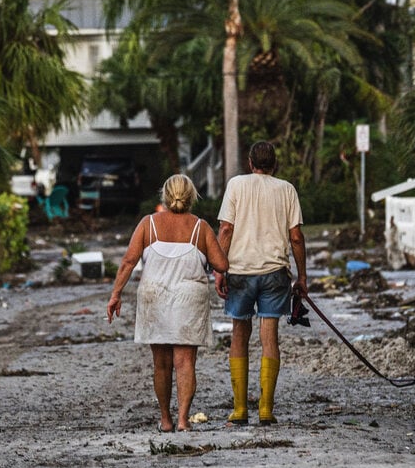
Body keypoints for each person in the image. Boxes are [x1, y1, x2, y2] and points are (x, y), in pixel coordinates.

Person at [107, 174, 228, 432]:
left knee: (161, 364)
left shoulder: (148, 224)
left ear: (164, 195)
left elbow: (129, 261)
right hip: (188, 298)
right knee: (185, 363)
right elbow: (221, 265)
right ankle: (184, 420)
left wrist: (116, 294)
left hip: (155, 297)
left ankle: (165, 419)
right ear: (192, 196)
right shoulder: (200, 227)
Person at [214, 142, 307, 426]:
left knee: (239, 336)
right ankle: (266, 409)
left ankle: (240, 410)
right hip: (275, 273)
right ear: (274, 165)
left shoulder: (236, 185)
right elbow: (296, 237)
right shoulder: (286, 189)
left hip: (240, 272)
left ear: (250, 162)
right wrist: (302, 276)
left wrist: (219, 269)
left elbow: (226, 229)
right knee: (270, 338)